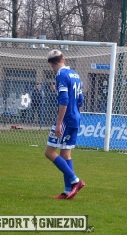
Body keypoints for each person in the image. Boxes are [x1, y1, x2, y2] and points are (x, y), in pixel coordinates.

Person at [45, 49, 85, 200]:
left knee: (49, 152)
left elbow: (64, 100)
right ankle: (68, 191)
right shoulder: (75, 74)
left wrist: (59, 123)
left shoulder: (61, 75)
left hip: (66, 119)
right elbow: (81, 99)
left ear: (51, 64)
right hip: (75, 117)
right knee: (65, 154)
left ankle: (75, 181)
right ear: (64, 59)